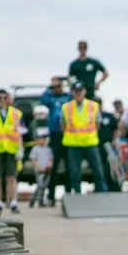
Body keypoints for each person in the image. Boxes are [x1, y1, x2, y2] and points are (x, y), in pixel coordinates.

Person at [60, 81, 107, 194]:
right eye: (76, 92)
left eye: (80, 91)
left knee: (98, 170)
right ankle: (77, 195)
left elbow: (98, 124)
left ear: (84, 92)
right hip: (74, 144)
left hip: (90, 143)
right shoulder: (66, 107)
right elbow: (62, 125)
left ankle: (102, 193)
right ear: (72, 92)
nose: (78, 94)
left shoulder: (93, 106)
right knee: (75, 172)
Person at [0, 88, 24, 213]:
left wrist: (20, 149)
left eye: (5, 97)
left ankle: (13, 201)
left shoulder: (16, 113)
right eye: (0, 98)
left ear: (9, 99)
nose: (2, 100)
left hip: (11, 149)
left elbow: (19, 133)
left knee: (11, 177)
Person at [40, 76, 73, 205]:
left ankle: (69, 193)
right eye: (55, 87)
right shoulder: (51, 99)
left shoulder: (68, 97)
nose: (57, 88)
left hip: (68, 134)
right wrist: (50, 86)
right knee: (54, 166)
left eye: (59, 86)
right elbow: (42, 99)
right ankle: (51, 195)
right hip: (55, 134)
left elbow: (76, 94)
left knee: (69, 166)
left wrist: (68, 82)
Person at [95, 96, 121, 192]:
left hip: (107, 145)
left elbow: (116, 129)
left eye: (99, 103)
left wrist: (115, 140)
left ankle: (114, 188)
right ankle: (99, 188)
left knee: (111, 167)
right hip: (94, 145)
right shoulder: (90, 116)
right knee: (98, 167)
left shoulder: (108, 116)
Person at [28, 129, 53, 208]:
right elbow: (33, 160)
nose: (43, 140)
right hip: (39, 171)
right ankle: (34, 200)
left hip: (47, 171)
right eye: (41, 138)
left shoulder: (48, 149)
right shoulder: (35, 149)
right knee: (40, 185)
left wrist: (49, 165)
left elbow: (50, 159)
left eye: (45, 139)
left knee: (44, 186)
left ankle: (41, 201)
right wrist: (39, 167)